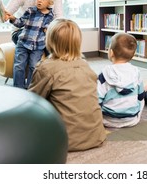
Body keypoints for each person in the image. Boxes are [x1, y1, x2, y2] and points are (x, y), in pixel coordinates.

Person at [28, 19, 106, 152]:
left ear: (49, 41)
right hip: (96, 136)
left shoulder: (46, 68)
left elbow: (32, 101)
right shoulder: (85, 65)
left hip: (64, 141)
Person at [5, 0, 55, 89]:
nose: (39, 0)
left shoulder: (51, 16)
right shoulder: (30, 11)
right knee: (19, 66)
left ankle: (31, 88)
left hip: (37, 46)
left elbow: (50, 30)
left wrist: (48, 30)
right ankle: (18, 88)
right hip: (23, 43)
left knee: (33, 66)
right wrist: (13, 19)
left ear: (49, 2)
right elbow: (20, 23)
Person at [97, 32, 145, 128]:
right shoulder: (136, 72)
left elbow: (97, 99)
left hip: (107, 119)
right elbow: (140, 96)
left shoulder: (104, 74)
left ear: (111, 52)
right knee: (141, 96)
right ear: (133, 54)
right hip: (132, 119)